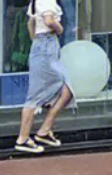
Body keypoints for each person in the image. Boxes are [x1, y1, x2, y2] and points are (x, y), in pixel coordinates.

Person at [14, 0, 75, 155]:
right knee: (36, 94)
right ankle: (23, 138)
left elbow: (30, 24)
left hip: (44, 46)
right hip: (47, 45)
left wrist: (36, 40)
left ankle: (44, 131)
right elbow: (49, 21)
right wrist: (60, 29)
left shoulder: (36, 2)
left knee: (66, 90)